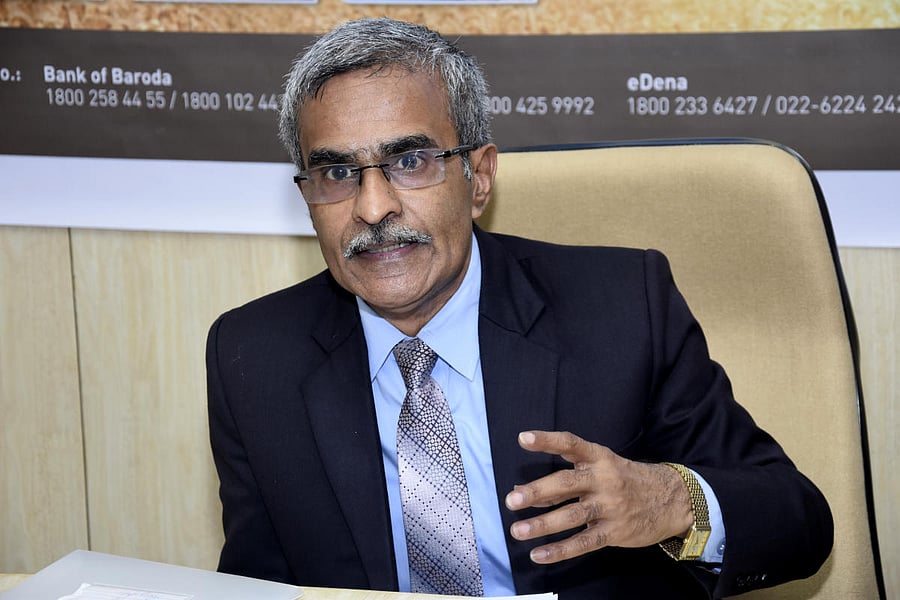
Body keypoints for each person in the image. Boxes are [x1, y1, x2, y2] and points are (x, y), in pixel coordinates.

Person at [206, 17, 832, 599]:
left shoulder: (620, 308)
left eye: (410, 161)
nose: (372, 209)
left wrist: (671, 503)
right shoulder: (253, 357)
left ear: (478, 178)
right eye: (337, 173)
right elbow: (258, 581)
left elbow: (797, 519)